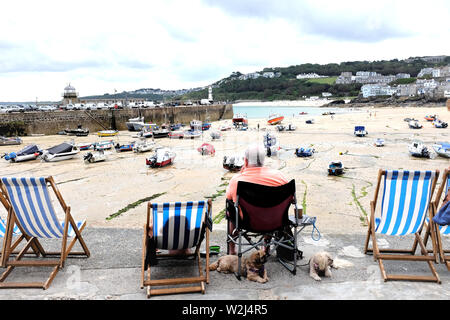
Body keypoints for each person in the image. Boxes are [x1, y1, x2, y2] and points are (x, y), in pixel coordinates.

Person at [225, 143, 289, 255]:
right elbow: (291, 199)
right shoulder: (280, 177)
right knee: (269, 209)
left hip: (247, 223)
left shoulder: (237, 180)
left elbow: (229, 198)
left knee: (231, 209)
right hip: (274, 222)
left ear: (245, 161)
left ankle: (232, 250)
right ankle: (266, 248)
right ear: (264, 160)